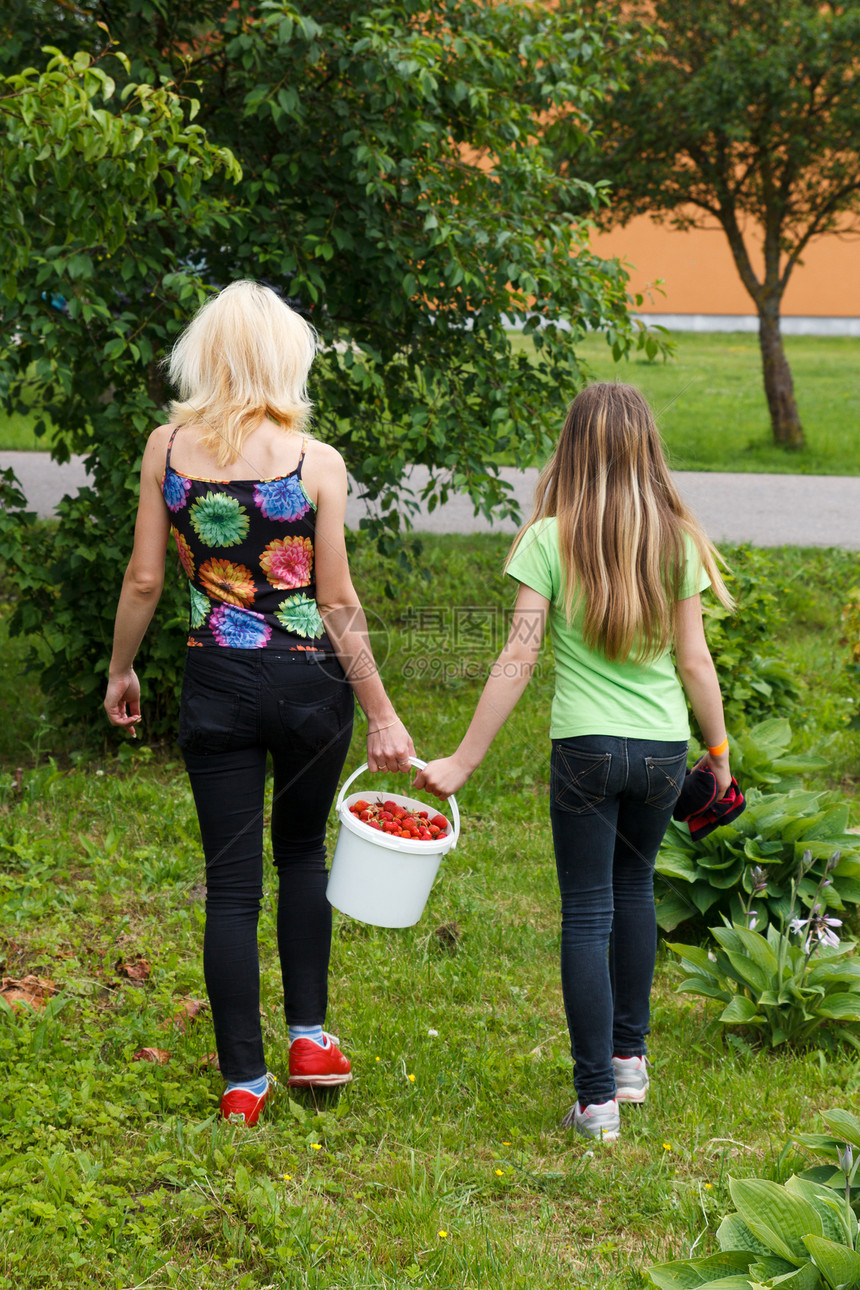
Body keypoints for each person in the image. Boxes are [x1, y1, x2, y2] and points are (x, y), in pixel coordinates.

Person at [104, 280, 413, 1125]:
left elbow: (143, 578)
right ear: (287, 358)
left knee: (232, 887)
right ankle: (310, 1038)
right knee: (303, 856)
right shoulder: (317, 465)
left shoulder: (167, 449)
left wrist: (120, 669)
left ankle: (243, 1083)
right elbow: (339, 600)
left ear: (204, 355)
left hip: (218, 684)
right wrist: (382, 712)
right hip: (312, 683)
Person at [414, 382, 734, 1142]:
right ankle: (629, 1061)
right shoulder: (677, 542)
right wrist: (718, 755)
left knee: (589, 912)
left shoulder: (548, 539)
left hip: (586, 751)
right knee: (635, 894)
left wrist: (463, 759)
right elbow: (695, 661)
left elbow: (518, 658)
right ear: (647, 450)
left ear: (572, 449)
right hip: (662, 755)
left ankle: (597, 1103)